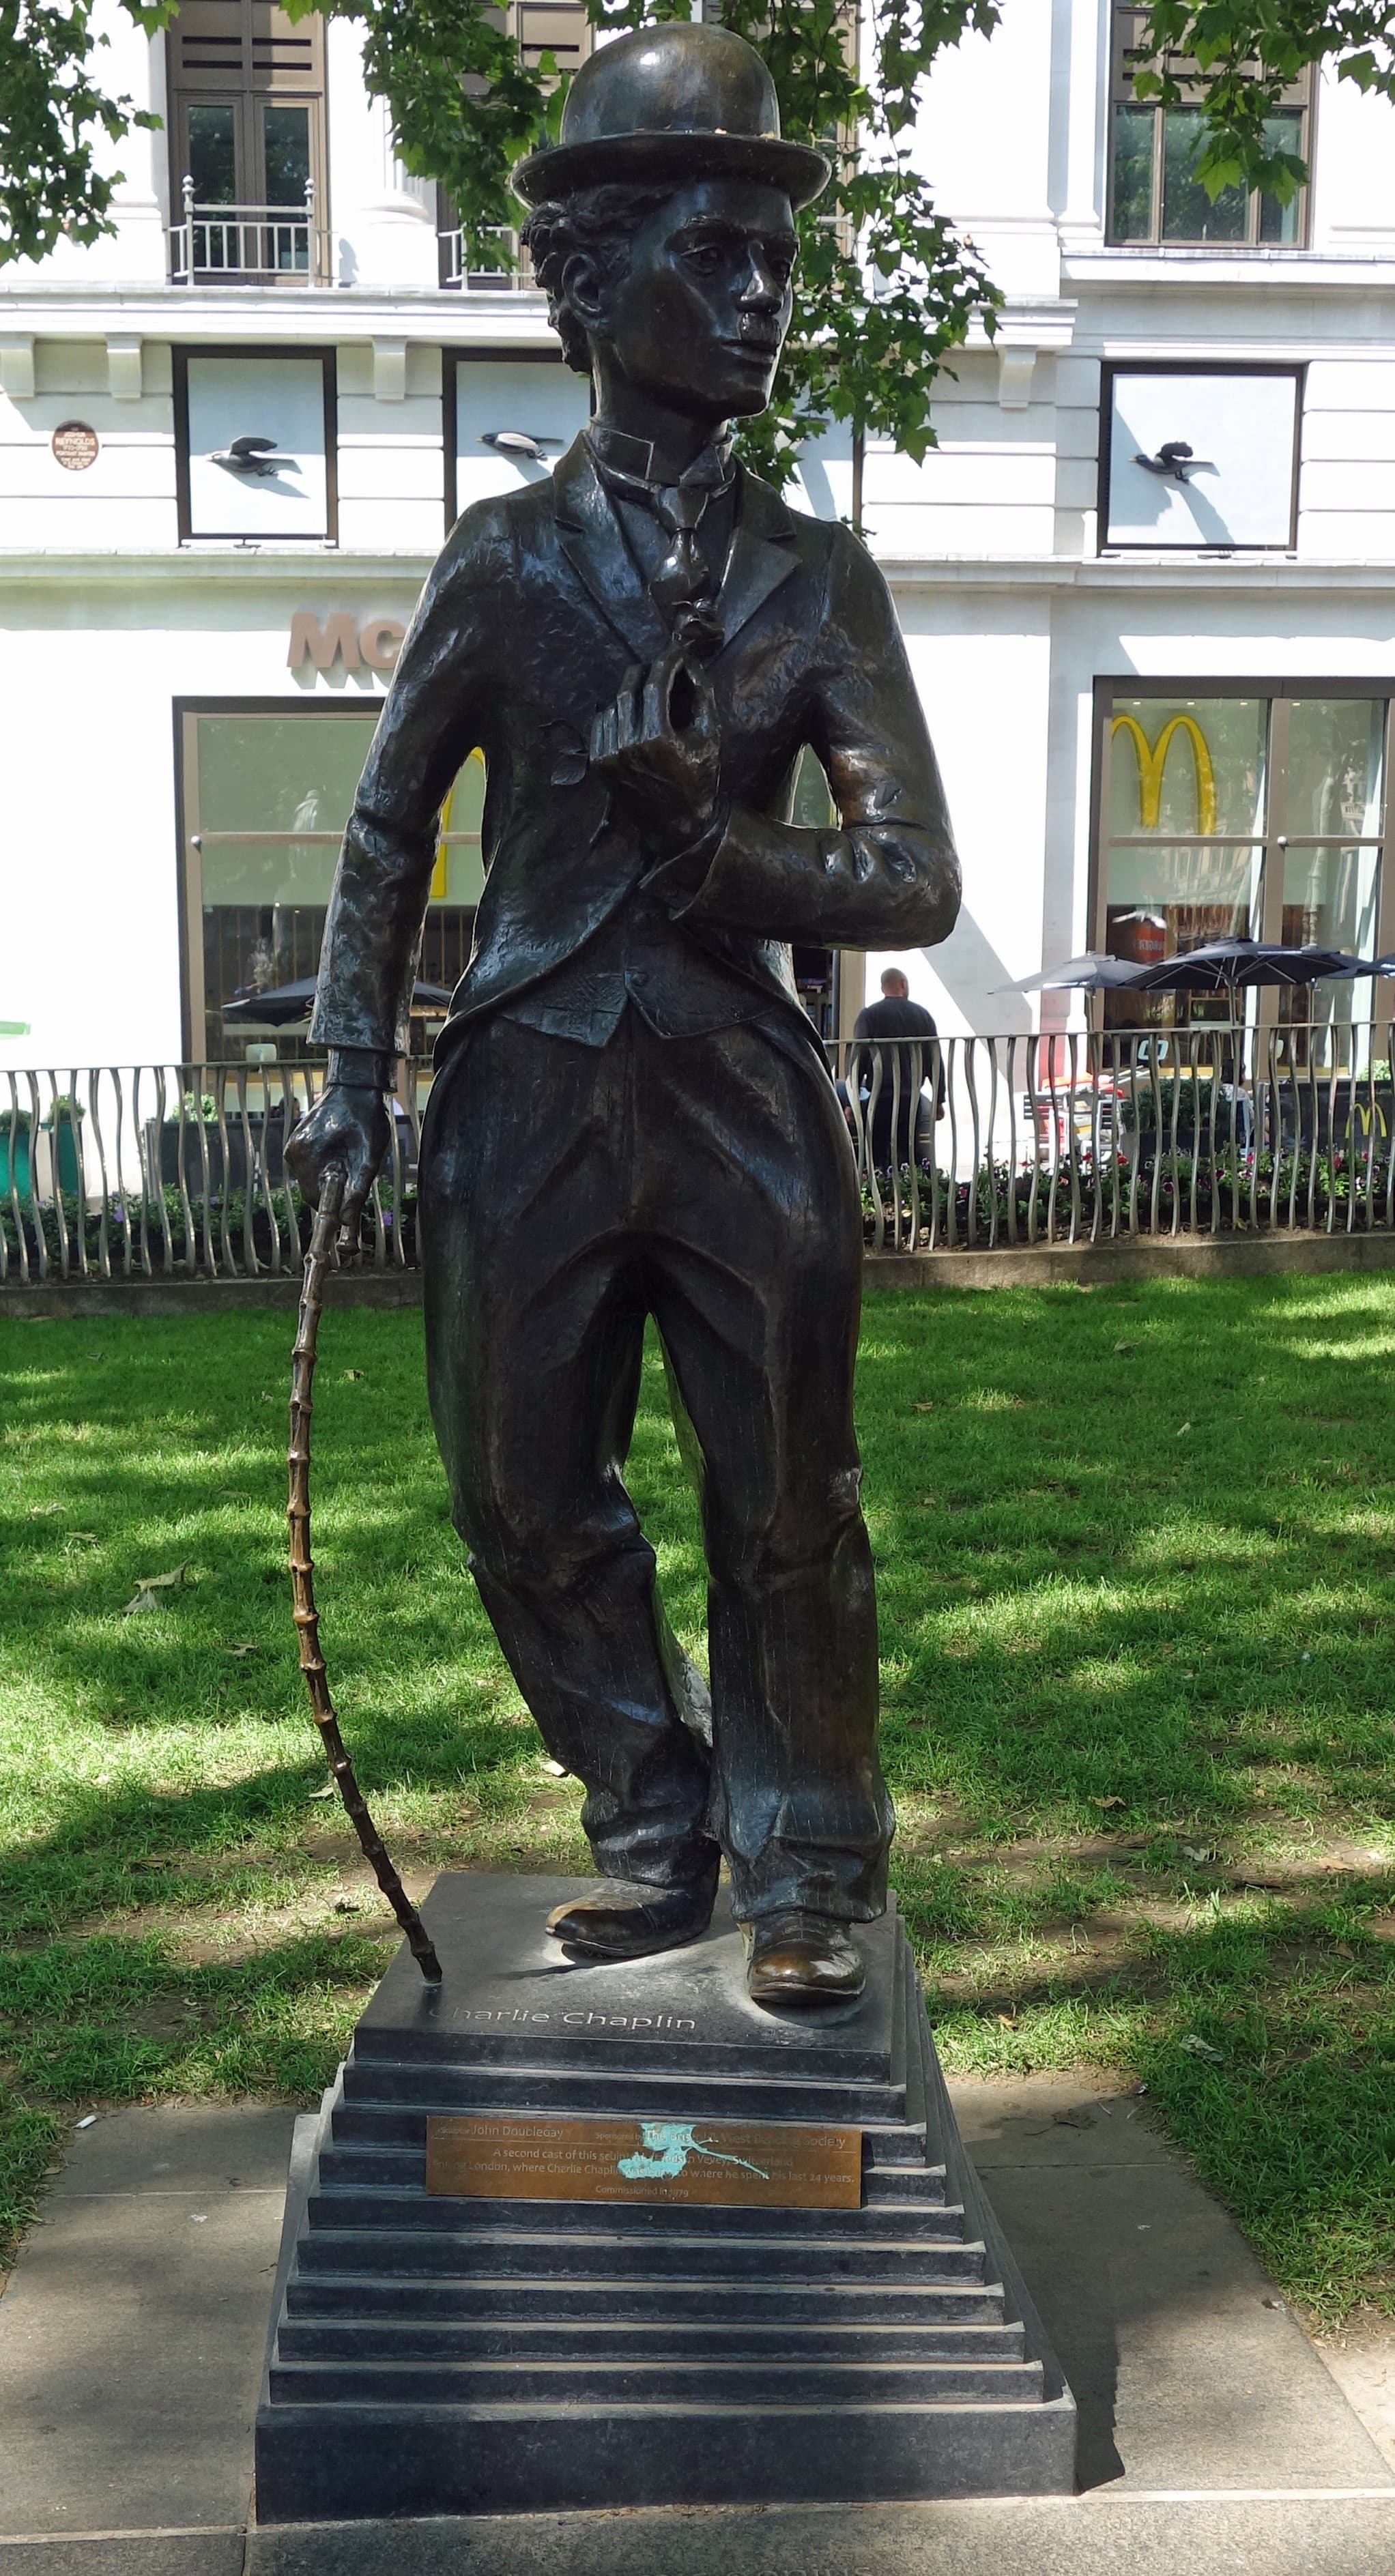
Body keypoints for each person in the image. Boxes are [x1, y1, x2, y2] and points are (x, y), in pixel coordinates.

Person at [286, 22, 960, 2008]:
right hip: (526, 1094)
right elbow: (390, 824)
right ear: (592, 287)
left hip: (745, 1093)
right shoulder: (500, 566)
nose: (759, 299)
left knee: (790, 1503)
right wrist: (344, 1064)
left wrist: (723, 855)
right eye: (711, 256)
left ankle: (813, 1854)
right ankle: (653, 1812)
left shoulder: (819, 583)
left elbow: (911, 881)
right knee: (518, 1492)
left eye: (774, 263)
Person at [848, 968, 943, 1168]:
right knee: (910, 1152)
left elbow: (859, 1059)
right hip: (911, 1098)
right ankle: (913, 1195)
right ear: (903, 984)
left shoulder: (869, 1016)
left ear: (883, 988)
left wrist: (852, 1100)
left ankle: (881, 1196)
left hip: (879, 1098)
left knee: (877, 1155)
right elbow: (934, 1059)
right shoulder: (922, 1015)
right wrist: (939, 1098)